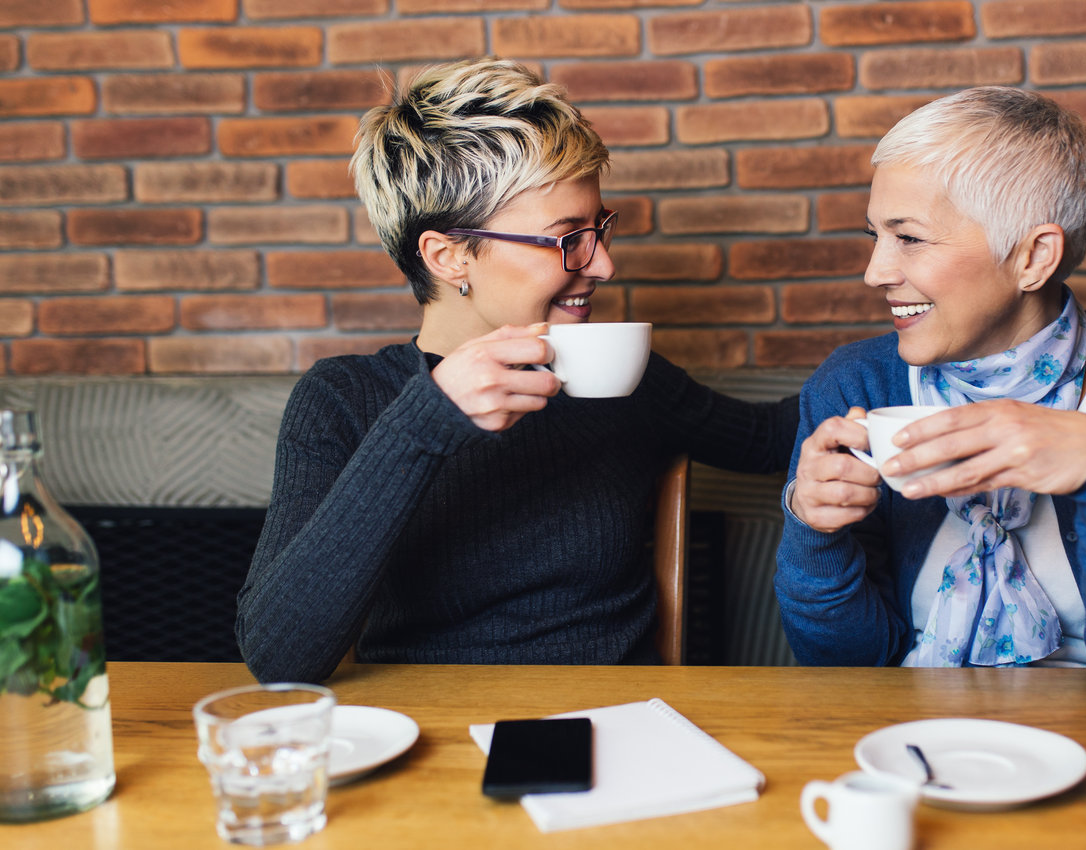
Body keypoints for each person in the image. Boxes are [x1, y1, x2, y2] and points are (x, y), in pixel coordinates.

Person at [236, 58, 798, 683]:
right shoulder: (345, 400)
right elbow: (278, 660)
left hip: (615, 727)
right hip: (429, 738)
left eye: (599, 228)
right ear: (449, 256)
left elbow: (772, 437)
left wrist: (913, 366)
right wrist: (422, 423)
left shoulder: (620, 376)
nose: (604, 264)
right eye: (568, 239)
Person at [774, 87, 1086, 671]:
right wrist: (814, 530)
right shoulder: (855, 385)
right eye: (876, 235)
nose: (875, 272)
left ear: (1032, 257)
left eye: (911, 238)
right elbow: (845, 662)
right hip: (905, 733)